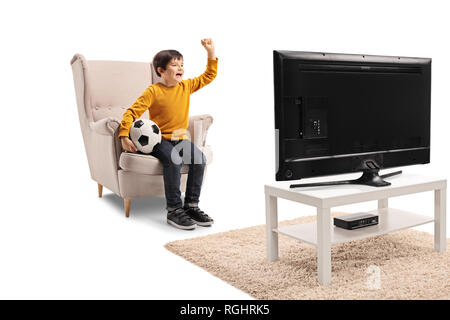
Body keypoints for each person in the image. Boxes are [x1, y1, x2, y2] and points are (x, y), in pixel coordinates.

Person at [118, 38, 218, 230]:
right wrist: (124, 135)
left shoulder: (186, 86)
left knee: (199, 160)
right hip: (159, 139)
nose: (180, 68)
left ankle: (191, 206)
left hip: (181, 137)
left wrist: (211, 53)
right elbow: (132, 112)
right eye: (174, 65)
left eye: (182, 65)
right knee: (173, 161)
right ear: (161, 71)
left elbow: (209, 75)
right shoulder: (153, 91)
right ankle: (173, 210)